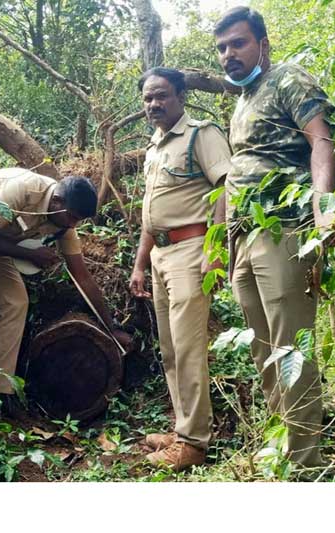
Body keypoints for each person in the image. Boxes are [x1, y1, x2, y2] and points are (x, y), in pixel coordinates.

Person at [213, 6, 335, 468]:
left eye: (239, 43)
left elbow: (321, 141)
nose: (229, 54)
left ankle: (308, 466)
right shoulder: (242, 100)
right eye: (223, 48)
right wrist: (222, 240)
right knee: (261, 346)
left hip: (282, 229)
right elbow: (237, 173)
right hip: (243, 237)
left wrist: (323, 209)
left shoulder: (289, 79)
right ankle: (282, 446)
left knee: (291, 348)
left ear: (263, 44)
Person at [129, 68, 231, 471]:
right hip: (160, 255)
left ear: (181, 95)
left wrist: (216, 248)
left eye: (162, 96)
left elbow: (227, 187)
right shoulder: (154, 147)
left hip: (192, 251)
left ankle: (193, 443)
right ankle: (183, 427)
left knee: (189, 350)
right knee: (171, 351)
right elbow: (150, 215)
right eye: (148, 99)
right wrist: (140, 263)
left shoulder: (200, 135)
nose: (154, 104)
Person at [0, 168, 126, 414]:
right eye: (71, 217)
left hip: (1, 251)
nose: (73, 225)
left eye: (78, 221)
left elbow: (82, 277)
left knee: (16, 302)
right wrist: (31, 254)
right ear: (56, 201)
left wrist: (111, 328)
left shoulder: (65, 221)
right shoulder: (23, 189)